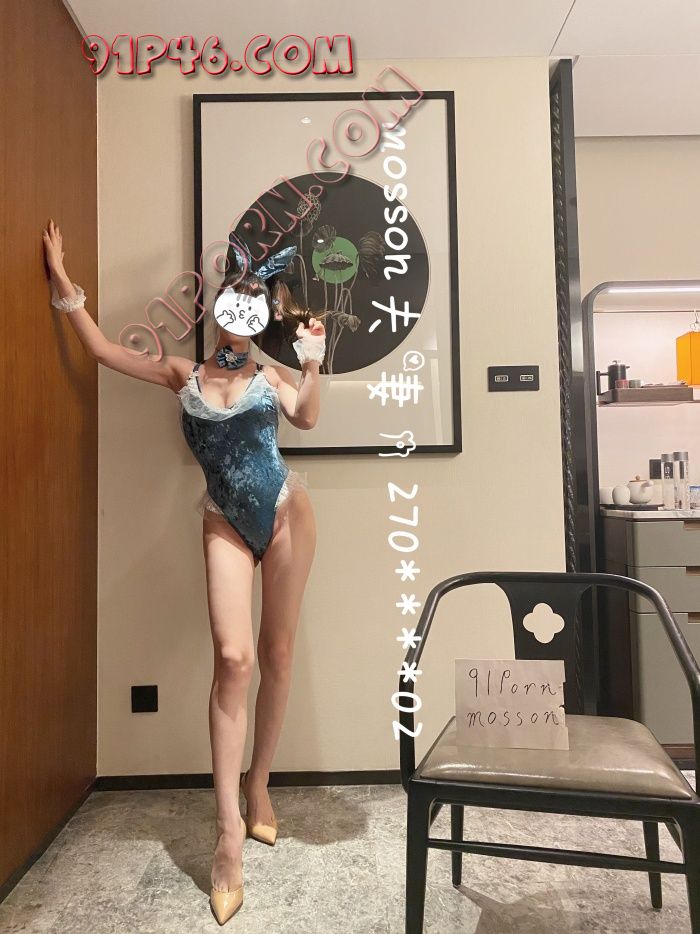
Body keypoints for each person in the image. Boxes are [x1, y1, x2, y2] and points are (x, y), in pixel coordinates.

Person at [42, 219, 326, 925]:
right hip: (222, 518)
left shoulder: (270, 376)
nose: (242, 311)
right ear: (218, 306)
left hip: (287, 514)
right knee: (233, 658)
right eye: (234, 299)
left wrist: (314, 363)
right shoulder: (182, 373)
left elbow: (307, 419)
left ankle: (259, 786)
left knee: (277, 654)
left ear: (263, 312)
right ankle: (227, 834)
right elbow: (105, 352)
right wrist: (64, 282)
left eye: (254, 302)